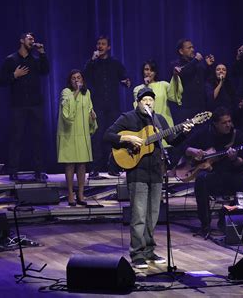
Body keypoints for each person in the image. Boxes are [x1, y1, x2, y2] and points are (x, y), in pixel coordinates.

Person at [104, 87, 193, 269]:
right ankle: (137, 253)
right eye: (144, 99)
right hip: (137, 173)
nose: (148, 102)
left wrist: (185, 131)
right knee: (139, 215)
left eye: (151, 99)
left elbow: (173, 140)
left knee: (153, 215)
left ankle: (149, 250)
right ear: (138, 102)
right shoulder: (128, 118)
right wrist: (127, 138)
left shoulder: (159, 120)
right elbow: (108, 135)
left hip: (156, 173)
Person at [184, 106, 243, 235]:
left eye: (229, 121)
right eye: (224, 123)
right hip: (213, 174)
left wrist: (234, 159)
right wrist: (193, 151)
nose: (228, 125)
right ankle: (205, 225)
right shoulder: (205, 133)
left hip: (231, 173)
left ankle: (226, 215)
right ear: (215, 124)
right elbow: (185, 147)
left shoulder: (237, 135)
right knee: (201, 180)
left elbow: (241, 163)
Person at [0, 32, 50, 181]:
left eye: (33, 39)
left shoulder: (35, 59)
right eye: (29, 39)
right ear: (22, 41)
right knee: (16, 138)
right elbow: (1, 81)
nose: (32, 41)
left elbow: (45, 71)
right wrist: (14, 75)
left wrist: (42, 53)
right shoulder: (11, 60)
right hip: (18, 105)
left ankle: (39, 170)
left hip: (35, 104)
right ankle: (13, 170)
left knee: (38, 137)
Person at [83, 35, 131, 176]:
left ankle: (114, 167)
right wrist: (92, 60)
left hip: (112, 105)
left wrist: (126, 82)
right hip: (97, 105)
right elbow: (83, 76)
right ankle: (95, 168)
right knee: (97, 136)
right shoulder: (92, 64)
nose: (100, 46)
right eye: (98, 44)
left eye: (103, 44)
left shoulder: (115, 63)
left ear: (108, 47)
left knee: (113, 136)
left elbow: (125, 77)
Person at [57, 70, 97, 206]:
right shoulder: (66, 92)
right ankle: (70, 194)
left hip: (82, 132)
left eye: (79, 78)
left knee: (82, 164)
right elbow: (67, 112)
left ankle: (81, 193)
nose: (76, 80)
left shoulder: (87, 93)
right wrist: (77, 92)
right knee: (70, 164)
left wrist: (92, 117)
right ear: (70, 81)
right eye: (73, 78)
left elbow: (90, 109)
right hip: (69, 133)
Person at [170, 38, 215, 122]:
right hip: (186, 108)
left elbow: (208, 79)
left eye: (193, 47)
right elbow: (183, 73)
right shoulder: (176, 64)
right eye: (189, 48)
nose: (193, 50)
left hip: (201, 106)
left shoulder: (198, 64)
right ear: (181, 51)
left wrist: (209, 66)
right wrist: (195, 60)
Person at [133, 59, 183, 128]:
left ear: (155, 72)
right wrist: (146, 86)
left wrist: (175, 76)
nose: (149, 72)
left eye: (152, 70)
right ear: (143, 71)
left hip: (165, 124)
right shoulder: (137, 89)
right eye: (146, 69)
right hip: (147, 126)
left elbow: (174, 96)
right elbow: (139, 108)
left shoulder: (163, 85)